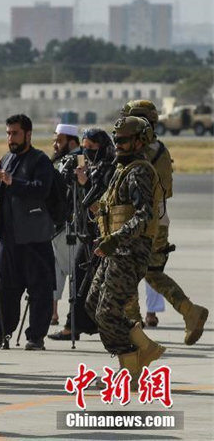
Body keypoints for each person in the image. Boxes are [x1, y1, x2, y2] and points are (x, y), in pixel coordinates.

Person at [121, 100, 208, 344]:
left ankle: (134, 338)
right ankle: (190, 312)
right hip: (159, 219)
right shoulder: (160, 149)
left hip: (139, 220)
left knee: (125, 274)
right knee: (153, 273)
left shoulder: (139, 152)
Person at [86, 116, 165, 383]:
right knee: (92, 303)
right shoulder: (123, 169)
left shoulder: (139, 171)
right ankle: (145, 346)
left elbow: (144, 215)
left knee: (107, 313)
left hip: (130, 252)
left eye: (123, 140)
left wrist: (116, 238)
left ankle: (130, 368)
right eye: (116, 139)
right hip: (115, 250)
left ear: (139, 141)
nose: (117, 144)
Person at [0, 114, 55, 351]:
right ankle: (0, 333)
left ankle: (35, 337)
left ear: (28, 134)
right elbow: (0, 191)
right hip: (9, 237)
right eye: (8, 133)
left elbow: (41, 190)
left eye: (15, 133)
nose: (10, 138)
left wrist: (12, 182)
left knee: (40, 289)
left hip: (34, 237)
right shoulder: (6, 159)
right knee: (4, 288)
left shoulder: (40, 161)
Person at [49, 127, 114, 341]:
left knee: (101, 285)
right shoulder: (89, 166)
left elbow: (100, 204)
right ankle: (74, 326)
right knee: (80, 280)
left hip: (104, 235)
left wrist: (86, 184)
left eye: (92, 148)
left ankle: (101, 326)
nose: (87, 153)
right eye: (84, 148)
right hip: (87, 234)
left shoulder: (109, 169)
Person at [50, 124, 82, 326]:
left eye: (59, 141)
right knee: (54, 269)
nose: (55, 145)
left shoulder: (79, 160)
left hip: (74, 225)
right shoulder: (58, 162)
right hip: (57, 225)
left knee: (74, 271)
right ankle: (53, 313)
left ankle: (73, 316)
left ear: (71, 142)